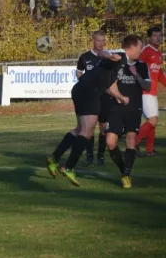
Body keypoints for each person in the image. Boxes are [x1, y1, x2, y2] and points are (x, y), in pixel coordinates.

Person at [47, 34, 144, 186]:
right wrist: (111, 55)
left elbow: (109, 84)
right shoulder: (121, 55)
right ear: (132, 48)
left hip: (80, 89)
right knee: (87, 132)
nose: (141, 51)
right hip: (90, 91)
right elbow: (102, 53)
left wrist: (119, 96)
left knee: (80, 129)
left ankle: (54, 158)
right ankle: (69, 167)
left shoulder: (122, 62)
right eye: (140, 47)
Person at [106, 57, 151, 189]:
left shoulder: (142, 66)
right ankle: (123, 170)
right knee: (110, 142)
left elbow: (147, 87)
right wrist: (117, 96)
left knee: (131, 140)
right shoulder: (116, 64)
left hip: (134, 108)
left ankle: (126, 175)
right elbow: (107, 86)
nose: (140, 50)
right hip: (116, 108)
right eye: (138, 47)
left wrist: (135, 73)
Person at [75, 30, 110, 166]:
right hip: (90, 97)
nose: (101, 43)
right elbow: (79, 72)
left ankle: (100, 155)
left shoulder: (108, 56)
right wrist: (85, 84)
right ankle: (89, 155)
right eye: (98, 40)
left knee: (103, 126)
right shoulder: (84, 57)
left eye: (103, 40)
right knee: (89, 127)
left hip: (105, 96)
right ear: (93, 41)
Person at [136, 26, 166, 156]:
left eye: (160, 35)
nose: (158, 38)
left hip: (152, 92)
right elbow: (137, 67)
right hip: (145, 91)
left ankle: (149, 149)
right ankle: (133, 144)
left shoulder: (158, 53)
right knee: (152, 120)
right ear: (149, 38)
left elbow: (159, 73)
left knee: (153, 121)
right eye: (155, 36)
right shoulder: (146, 51)